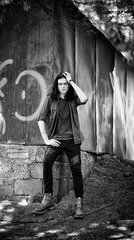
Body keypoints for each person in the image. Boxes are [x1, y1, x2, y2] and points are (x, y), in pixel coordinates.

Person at [35, 72, 88, 219]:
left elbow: (84, 98)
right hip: (56, 141)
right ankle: (48, 198)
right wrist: (46, 140)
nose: (63, 86)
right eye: (60, 84)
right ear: (56, 85)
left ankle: (79, 203)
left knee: (76, 169)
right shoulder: (50, 99)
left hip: (72, 141)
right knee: (47, 161)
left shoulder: (73, 99)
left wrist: (72, 82)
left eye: (65, 83)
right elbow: (41, 119)